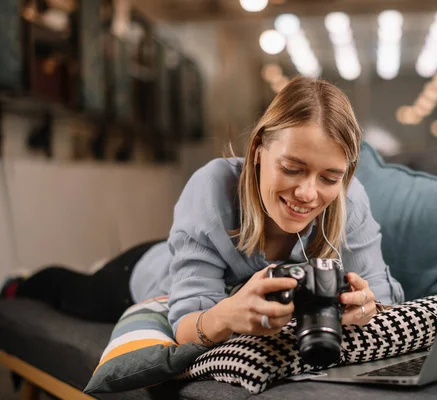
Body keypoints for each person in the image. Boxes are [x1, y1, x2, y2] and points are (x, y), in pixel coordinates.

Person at [1, 76, 404, 347]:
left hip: (189, 252)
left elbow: (385, 301)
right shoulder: (213, 186)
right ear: (259, 151)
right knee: (71, 290)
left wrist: (368, 308)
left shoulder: (349, 201)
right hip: (147, 275)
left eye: (330, 178)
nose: (308, 193)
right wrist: (229, 313)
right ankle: (16, 286)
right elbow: (184, 325)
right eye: (292, 168)